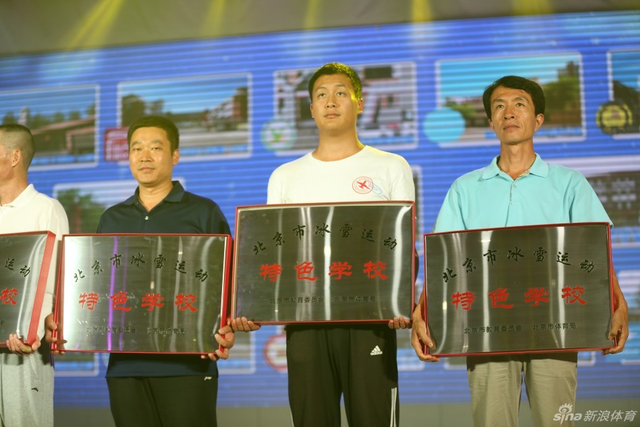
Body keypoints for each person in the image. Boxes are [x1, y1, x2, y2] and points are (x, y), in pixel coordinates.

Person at [411, 75, 629, 427]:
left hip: (556, 327)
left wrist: (619, 305)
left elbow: (596, 253)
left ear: (538, 119)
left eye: (519, 104)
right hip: (485, 330)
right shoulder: (465, 189)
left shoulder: (569, 183)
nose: (508, 113)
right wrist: (423, 313)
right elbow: (444, 262)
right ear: (491, 121)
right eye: (499, 106)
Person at [233, 63, 413, 427]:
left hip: (370, 322)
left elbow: (403, 248)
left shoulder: (391, 166)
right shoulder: (285, 176)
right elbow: (273, 255)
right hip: (305, 324)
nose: (331, 101)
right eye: (321, 95)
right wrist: (250, 305)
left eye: (341, 93)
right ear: (311, 108)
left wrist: (402, 302)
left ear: (359, 103)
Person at [95, 115, 234, 427]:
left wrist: (226, 328)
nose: (144, 156)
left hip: (188, 364)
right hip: (125, 367)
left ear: (175, 156)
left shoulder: (203, 212)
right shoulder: (112, 219)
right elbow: (102, 286)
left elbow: (227, 279)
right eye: (136, 148)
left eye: (155, 148)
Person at [0, 124, 70, 427]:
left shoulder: (46, 209)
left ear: (15, 156)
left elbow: (57, 284)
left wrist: (34, 332)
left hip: (24, 349)